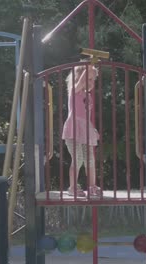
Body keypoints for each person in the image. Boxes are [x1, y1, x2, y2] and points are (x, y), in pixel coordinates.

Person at [62, 64, 102, 197]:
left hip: (85, 130)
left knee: (90, 158)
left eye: (93, 80)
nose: (91, 82)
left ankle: (92, 186)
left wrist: (93, 129)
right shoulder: (74, 90)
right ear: (79, 78)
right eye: (89, 79)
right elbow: (82, 79)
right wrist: (88, 67)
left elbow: (86, 117)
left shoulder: (88, 96)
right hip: (73, 131)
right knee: (78, 158)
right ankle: (72, 188)